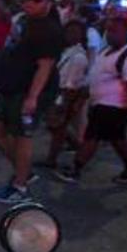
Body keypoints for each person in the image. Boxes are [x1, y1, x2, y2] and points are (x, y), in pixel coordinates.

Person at [0, 0, 62, 204]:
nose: (30, 2)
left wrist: (33, 97)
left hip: (29, 90)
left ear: (48, 5)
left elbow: (45, 66)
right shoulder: (27, 22)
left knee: (22, 136)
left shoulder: (49, 30)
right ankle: (24, 172)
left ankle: (20, 186)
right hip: (12, 86)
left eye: (37, 0)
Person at [54, 12, 127, 186]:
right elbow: (96, 76)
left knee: (93, 137)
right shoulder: (106, 51)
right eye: (108, 30)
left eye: (115, 31)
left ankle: (76, 169)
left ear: (126, 33)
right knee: (117, 138)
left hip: (115, 106)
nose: (110, 34)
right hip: (100, 103)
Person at [40, 20, 91, 170]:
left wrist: (64, 102)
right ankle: (75, 146)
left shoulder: (78, 56)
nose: (71, 34)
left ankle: (52, 159)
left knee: (58, 128)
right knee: (57, 127)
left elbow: (71, 84)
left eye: (76, 32)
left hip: (64, 94)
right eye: (69, 31)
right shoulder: (67, 50)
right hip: (58, 92)